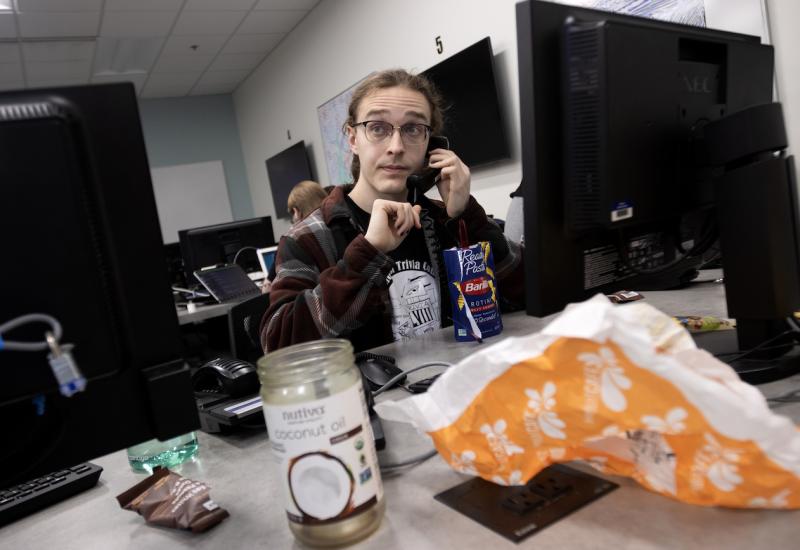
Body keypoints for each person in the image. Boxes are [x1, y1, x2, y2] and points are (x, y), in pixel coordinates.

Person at [260, 69, 524, 352]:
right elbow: (278, 344)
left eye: (412, 129)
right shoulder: (308, 237)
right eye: (377, 128)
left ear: (431, 145)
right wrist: (368, 253)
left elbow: (529, 292)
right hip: (377, 395)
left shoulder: (443, 218)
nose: (396, 147)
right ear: (352, 139)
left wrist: (465, 216)